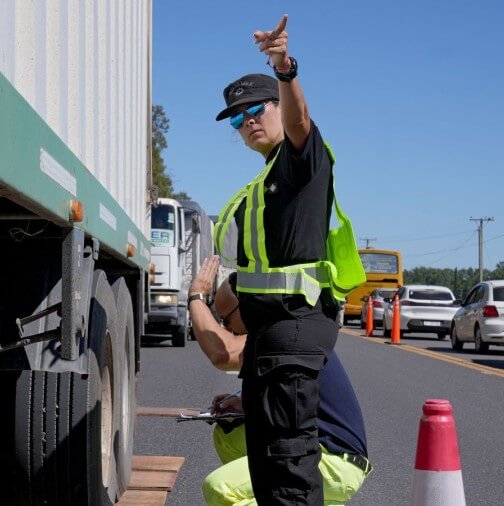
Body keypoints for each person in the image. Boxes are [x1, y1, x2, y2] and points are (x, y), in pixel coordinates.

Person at [188, 14, 366, 505]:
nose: (247, 121)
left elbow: (300, 122)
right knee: (270, 481)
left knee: (289, 483)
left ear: (276, 106)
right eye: (236, 118)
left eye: (255, 109)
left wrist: (284, 69)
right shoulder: (260, 187)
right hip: (270, 340)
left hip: (293, 334)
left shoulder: (299, 163)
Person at [191, 272, 371, 505]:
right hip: (315, 445)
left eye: (226, 319)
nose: (228, 328)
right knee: (229, 434)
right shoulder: (275, 329)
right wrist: (243, 402)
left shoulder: (278, 333)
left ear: (245, 306)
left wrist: (195, 297)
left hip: (337, 462)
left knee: (218, 488)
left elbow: (222, 353)